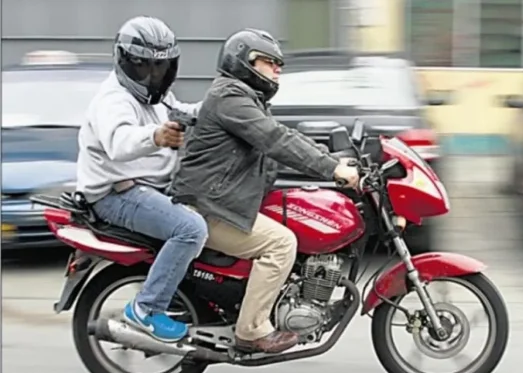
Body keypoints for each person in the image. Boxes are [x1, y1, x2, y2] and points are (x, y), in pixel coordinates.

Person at [170, 28, 360, 354]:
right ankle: (251, 330)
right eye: (269, 62)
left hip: (222, 199)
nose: (277, 70)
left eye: (278, 64)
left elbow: (282, 138)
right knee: (282, 244)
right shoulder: (230, 98)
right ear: (245, 62)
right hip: (208, 205)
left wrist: (334, 160)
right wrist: (332, 169)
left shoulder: (243, 98)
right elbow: (275, 140)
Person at [76, 16, 208, 343]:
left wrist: (222, 106)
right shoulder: (114, 99)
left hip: (150, 186)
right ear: (125, 61)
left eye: (161, 68)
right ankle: (146, 309)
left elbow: (182, 113)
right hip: (117, 195)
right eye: (146, 67)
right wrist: (156, 136)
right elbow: (119, 142)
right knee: (191, 229)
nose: (154, 75)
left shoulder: (155, 95)